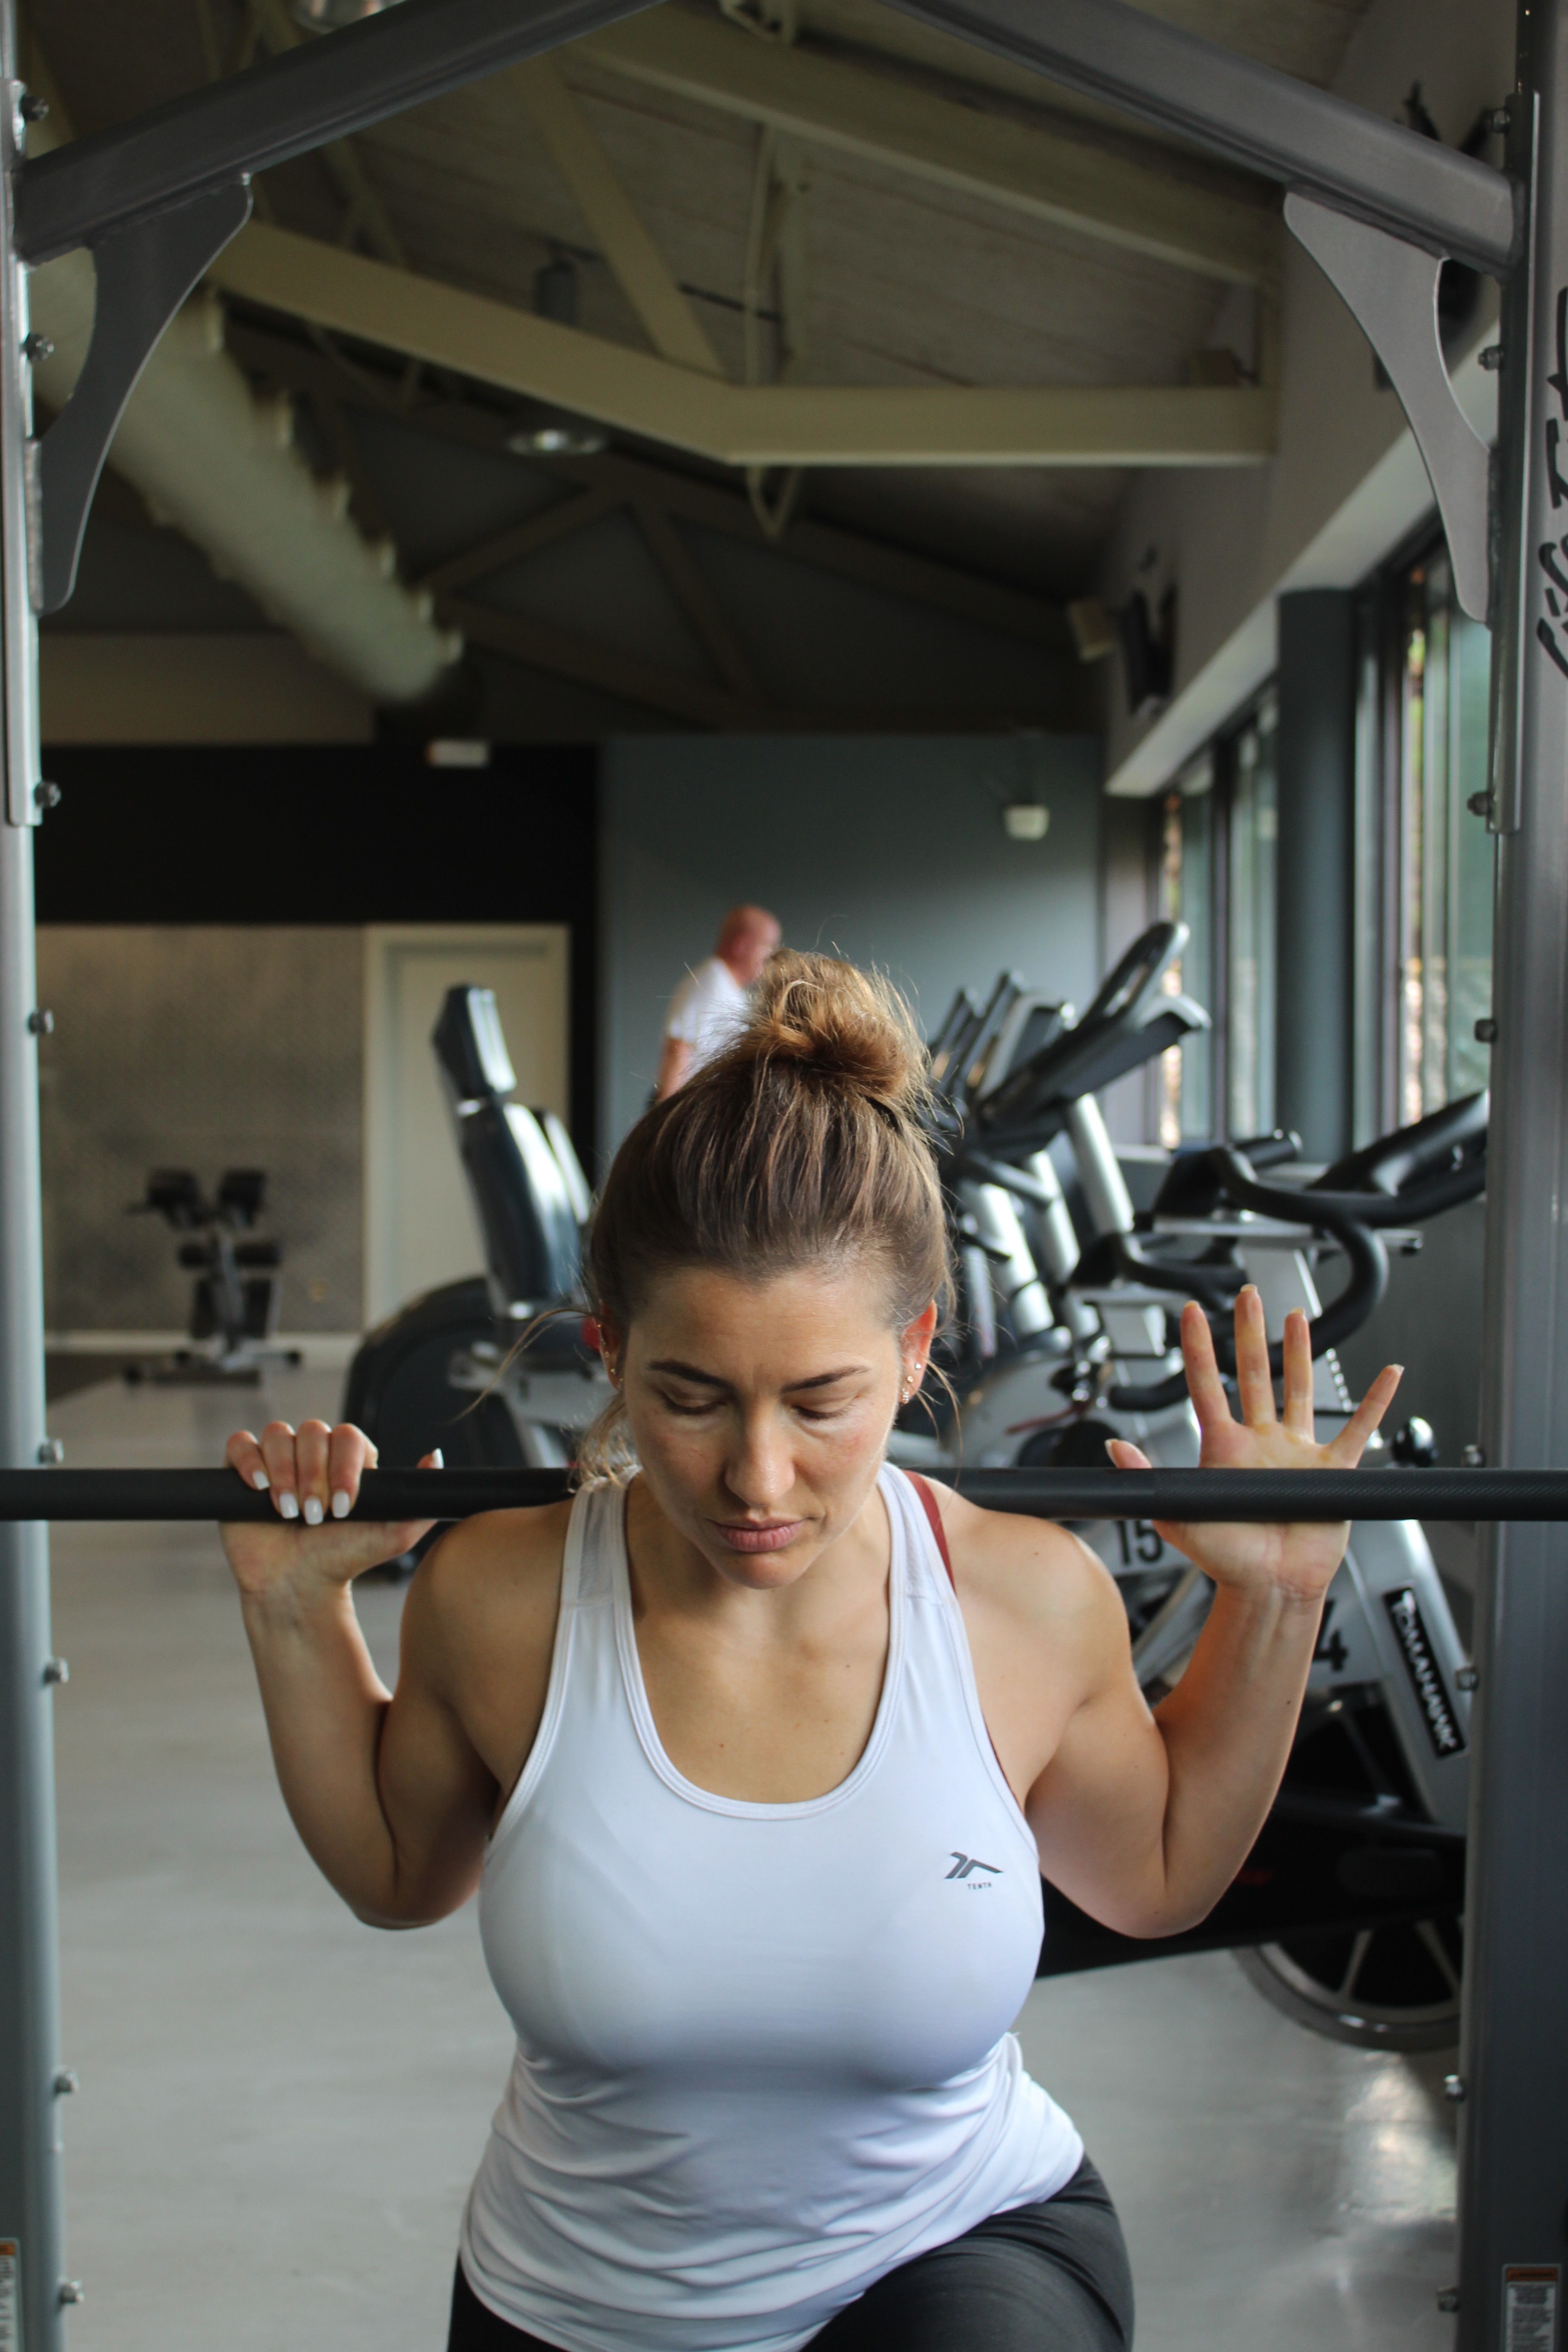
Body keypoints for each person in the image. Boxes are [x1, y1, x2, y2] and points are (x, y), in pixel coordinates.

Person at [220, 952, 1400, 2352]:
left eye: (823, 1401)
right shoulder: (500, 1598)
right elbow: (398, 1874)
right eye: (693, 1398)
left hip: (954, 2252)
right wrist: (296, 1613)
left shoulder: (1020, 1598)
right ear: (609, 1351)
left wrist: (1277, 1605)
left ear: (915, 1352)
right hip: (578, 2302)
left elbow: (1153, 1881)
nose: (758, 1478)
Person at [655, 903, 781, 1098]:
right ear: (743, 945)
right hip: (691, 1113)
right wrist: (667, 1121)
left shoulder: (726, 987)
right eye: (768, 947)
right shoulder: (711, 983)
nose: (771, 958)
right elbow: (679, 1050)